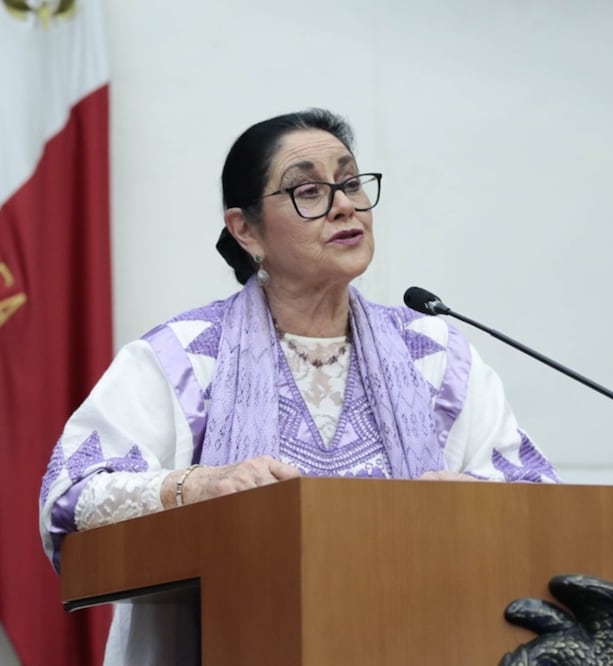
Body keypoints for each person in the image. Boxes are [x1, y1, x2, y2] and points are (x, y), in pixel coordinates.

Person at [39, 108, 559, 664]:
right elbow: (71, 496)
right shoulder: (186, 357)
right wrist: (196, 487)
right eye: (308, 190)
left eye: (351, 182)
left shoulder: (435, 356)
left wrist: (474, 504)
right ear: (245, 230)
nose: (343, 204)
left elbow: (537, 497)